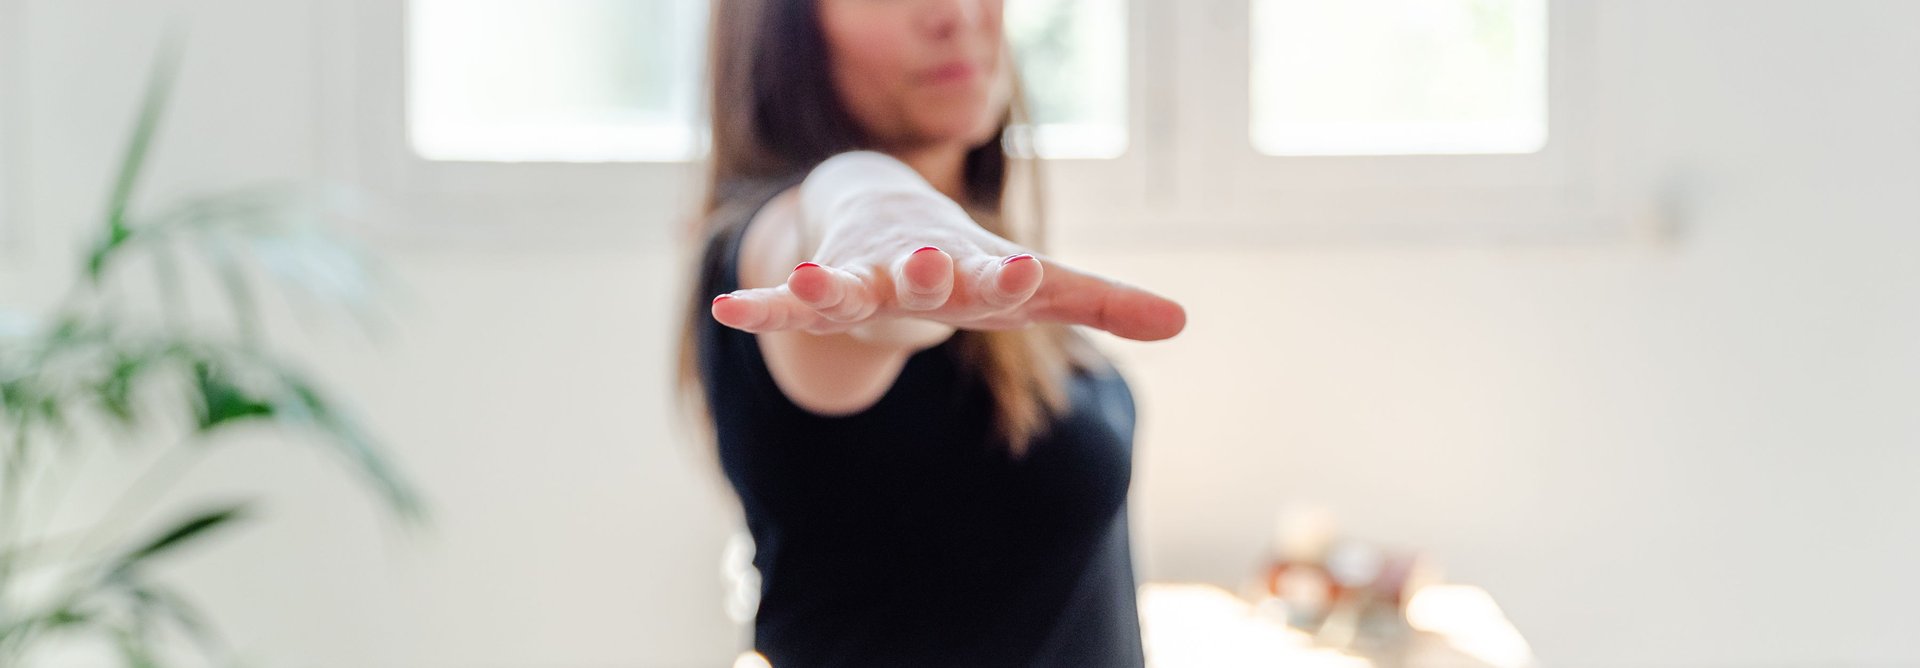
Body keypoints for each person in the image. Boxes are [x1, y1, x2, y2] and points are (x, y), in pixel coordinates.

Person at [673, 0, 1187, 665]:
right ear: (781, 28)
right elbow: (840, 252)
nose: (956, 13)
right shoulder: (783, 253)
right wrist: (868, 202)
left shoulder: (989, 266)